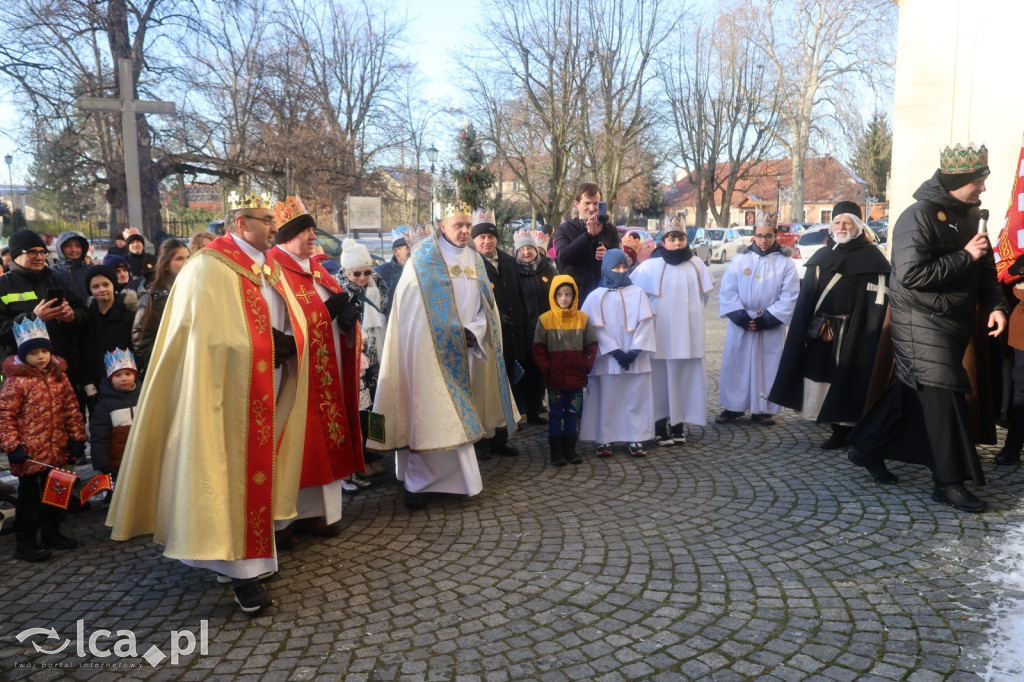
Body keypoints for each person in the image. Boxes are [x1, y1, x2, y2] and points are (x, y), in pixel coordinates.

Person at [107, 191, 313, 614]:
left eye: (274, 220)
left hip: (267, 383)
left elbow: (286, 314)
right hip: (222, 393)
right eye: (265, 220)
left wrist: (290, 340)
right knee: (224, 470)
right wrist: (263, 344)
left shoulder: (268, 264)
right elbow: (203, 341)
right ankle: (242, 575)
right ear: (240, 223)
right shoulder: (206, 268)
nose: (275, 227)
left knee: (253, 472)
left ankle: (247, 558)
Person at [848, 144, 1008, 513]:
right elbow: (911, 274)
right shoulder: (917, 216)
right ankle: (948, 482)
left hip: (950, 322)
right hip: (920, 320)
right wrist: (964, 255)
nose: (983, 188)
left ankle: (866, 448)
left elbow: (984, 268)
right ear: (959, 181)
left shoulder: (970, 215)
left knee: (908, 391)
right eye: (979, 182)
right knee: (943, 397)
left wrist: (997, 305)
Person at [368, 202, 519, 510]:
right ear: (442, 226)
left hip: (465, 350)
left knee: (457, 416)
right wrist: (439, 336)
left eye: (467, 226)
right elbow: (409, 311)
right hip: (428, 354)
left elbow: (484, 308)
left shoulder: (475, 259)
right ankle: (417, 484)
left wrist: (473, 332)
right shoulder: (423, 259)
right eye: (458, 226)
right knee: (427, 416)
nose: (464, 231)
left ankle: (457, 482)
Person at [266, 196, 364, 538]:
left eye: (312, 229)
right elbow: (278, 327)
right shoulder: (272, 270)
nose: (313, 236)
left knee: (323, 444)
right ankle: (283, 519)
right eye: (306, 231)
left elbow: (329, 314)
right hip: (292, 377)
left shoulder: (316, 268)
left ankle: (318, 513)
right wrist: (325, 318)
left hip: (325, 374)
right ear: (287, 236)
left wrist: (346, 322)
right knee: (294, 445)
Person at [768, 202, 891, 449]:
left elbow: (879, 297)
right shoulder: (823, 256)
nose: (841, 227)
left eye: (847, 223)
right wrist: (802, 328)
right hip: (823, 331)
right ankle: (835, 427)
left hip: (856, 330)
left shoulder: (873, 258)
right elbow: (807, 298)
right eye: (837, 223)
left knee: (851, 377)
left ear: (858, 227)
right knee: (823, 377)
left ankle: (851, 428)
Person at [0, 318, 87, 561]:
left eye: (45, 351)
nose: (41, 357)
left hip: (56, 449)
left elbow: (71, 408)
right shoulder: (17, 381)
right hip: (28, 454)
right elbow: (5, 416)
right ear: (24, 355)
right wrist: (13, 447)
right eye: (35, 352)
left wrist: (77, 438)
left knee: (55, 494)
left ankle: (52, 533)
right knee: (28, 499)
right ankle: (25, 542)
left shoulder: (60, 377)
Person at [630, 221, 714, 446]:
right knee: (659, 380)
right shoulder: (650, 266)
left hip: (688, 334)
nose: (677, 243)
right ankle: (659, 423)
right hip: (661, 333)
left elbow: (704, 297)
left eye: (681, 239)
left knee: (683, 378)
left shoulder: (697, 264)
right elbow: (636, 295)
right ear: (663, 241)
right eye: (671, 239)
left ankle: (678, 423)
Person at [717, 213, 799, 426]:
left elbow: (790, 295)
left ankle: (763, 409)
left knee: (769, 364)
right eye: (760, 236)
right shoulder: (740, 259)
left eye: (768, 236)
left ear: (775, 236)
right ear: (754, 236)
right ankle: (733, 406)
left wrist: (768, 319)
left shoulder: (785, 263)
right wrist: (740, 317)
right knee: (737, 363)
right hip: (742, 321)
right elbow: (728, 290)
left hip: (769, 321)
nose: (764, 240)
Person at [579, 249, 656, 457]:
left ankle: (636, 437)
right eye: (616, 267)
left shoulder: (638, 293)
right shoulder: (595, 297)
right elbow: (594, 328)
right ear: (605, 269)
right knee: (607, 398)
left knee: (635, 397)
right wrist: (615, 351)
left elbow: (646, 324)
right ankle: (604, 439)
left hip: (635, 358)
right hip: (607, 360)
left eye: (624, 267)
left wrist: (634, 351)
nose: (621, 271)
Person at [0, 229, 87, 389]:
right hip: (25, 378)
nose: (39, 257)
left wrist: (72, 316)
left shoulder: (54, 278)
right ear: (15, 255)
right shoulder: (3, 286)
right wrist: (34, 318)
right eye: (32, 252)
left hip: (64, 370)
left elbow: (83, 310)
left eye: (42, 252)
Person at [472, 208, 526, 458]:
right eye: (481, 237)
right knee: (482, 390)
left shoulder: (507, 260)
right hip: (485, 338)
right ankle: (481, 440)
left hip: (511, 336)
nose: (486, 241)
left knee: (506, 387)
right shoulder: (471, 264)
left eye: (490, 236)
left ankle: (501, 438)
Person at [337, 237, 390, 480]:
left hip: (379, 350)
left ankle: (375, 453)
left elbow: (387, 309)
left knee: (378, 406)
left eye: (366, 272)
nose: (361, 277)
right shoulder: (338, 289)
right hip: (355, 359)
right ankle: (359, 458)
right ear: (346, 271)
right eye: (355, 273)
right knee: (360, 410)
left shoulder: (378, 284)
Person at [532, 275, 598, 466]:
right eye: (559, 294)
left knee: (572, 412)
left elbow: (591, 345)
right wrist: (548, 370)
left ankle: (570, 448)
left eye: (568, 294)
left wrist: (585, 366)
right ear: (553, 296)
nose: (563, 298)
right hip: (555, 379)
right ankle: (556, 450)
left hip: (576, 377)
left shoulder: (583, 319)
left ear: (574, 295)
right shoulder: (545, 320)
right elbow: (538, 350)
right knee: (555, 414)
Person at [514, 229, 558, 425]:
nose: (526, 252)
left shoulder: (548, 269)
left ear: (535, 250)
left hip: (544, 329)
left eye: (529, 248)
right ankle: (518, 412)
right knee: (521, 373)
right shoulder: (512, 271)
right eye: (521, 249)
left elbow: (558, 295)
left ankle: (534, 411)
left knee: (539, 372)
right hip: (522, 330)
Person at [553, 183, 621, 302]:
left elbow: (621, 260)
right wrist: (588, 236)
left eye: (596, 203)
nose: (592, 208)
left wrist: (609, 255)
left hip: (604, 294)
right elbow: (563, 257)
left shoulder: (610, 229)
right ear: (576, 204)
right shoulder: (564, 229)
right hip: (575, 297)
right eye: (587, 203)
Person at [131, 239, 189, 377]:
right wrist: (165, 364)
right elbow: (141, 340)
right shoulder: (152, 295)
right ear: (167, 264)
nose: (186, 262)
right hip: (167, 369)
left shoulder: (195, 289)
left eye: (189, 257)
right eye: (179, 259)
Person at [81, 265, 135, 407]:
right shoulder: (87, 317)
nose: (101, 290)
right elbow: (83, 351)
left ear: (113, 285)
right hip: (98, 381)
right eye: (96, 286)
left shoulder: (128, 314)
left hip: (126, 382)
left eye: (106, 284)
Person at [89, 349, 140, 481]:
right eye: (118, 375)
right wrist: (103, 464)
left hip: (143, 458)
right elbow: (99, 436)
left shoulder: (144, 397)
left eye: (128, 373)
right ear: (110, 379)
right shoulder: (105, 405)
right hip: (118, 462)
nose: (124, 379)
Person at [374, 232, 411, 310]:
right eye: (408, 247)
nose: (412, 250)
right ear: (396, 251)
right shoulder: (380, 273)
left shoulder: (421, 272)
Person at [51, 231, 92, 301]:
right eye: (67, 246)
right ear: (60, 248)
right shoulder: (52, 273)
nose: (73, 250)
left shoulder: (90, 271)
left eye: (77, 246)